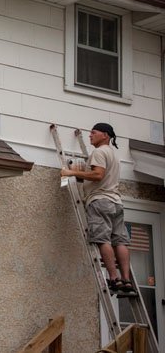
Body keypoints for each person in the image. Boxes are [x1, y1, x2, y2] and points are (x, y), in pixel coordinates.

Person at [60, 123, 137, 296]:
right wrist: (82, 175)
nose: (90, 136)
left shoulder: (99, 152)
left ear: (105, 135)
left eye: (93, 133)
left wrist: (71, 173)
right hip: (116, 202)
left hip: (100, 201)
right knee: (121, 241)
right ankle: (126, 280)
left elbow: (98, 175)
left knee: (103, 240)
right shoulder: (113, 155)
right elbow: (101, 177)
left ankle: (113, 278)